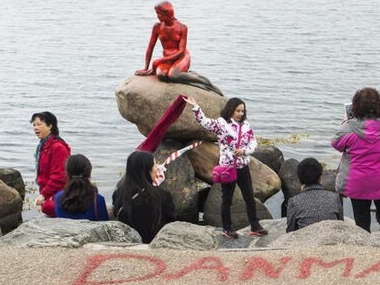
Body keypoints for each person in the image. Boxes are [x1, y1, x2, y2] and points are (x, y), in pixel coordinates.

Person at [185, 95, 268, 238]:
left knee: (249, 197)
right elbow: (204, 122)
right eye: (238, 111)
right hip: (227, 168)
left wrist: (245, 151)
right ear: (230, 110)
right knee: (227, 199)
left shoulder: (246, 125)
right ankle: (227, 228)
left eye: (243, 111)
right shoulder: (221, 124)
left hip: (243, 166)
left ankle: (255, 225)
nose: (241, 114)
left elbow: (253, 142)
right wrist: (195, 107)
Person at [331, 87, 380, 250]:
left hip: (357, 183)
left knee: (361, 218)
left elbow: (336, 144)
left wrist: (345, 122)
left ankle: (365, 251)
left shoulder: (348, 128)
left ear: (355, 106)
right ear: (379, 106)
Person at [135, 1, 222, 95]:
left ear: (166, 14)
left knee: (173, 76)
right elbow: (150, 47)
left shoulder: (182, 27)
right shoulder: (157, 27)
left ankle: (204, 82)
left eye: (159, 14)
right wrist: (146, 68)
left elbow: (181, 51)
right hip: (168, 60)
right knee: (162, 76)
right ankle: (185, 76)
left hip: (181, 57)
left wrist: (159, 60)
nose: (157, 16)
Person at [112, 151, 175, 244]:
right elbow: (171, 225)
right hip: (156, 245)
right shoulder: (163, 196)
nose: (157, 168)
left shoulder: (118, 194)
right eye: (154, 165)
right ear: (147, 170)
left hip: (127, 244)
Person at [285, 158, 343, 232]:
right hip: (332, 238)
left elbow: (290, 231)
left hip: (306, 241)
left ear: (300, 179)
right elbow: (341, 225)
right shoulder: (335, 198)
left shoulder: (294, 201)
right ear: (320, 178)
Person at [31, 111, 71, 218]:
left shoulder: (58, 147)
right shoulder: (42, 145)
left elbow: (59, 177)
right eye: (34, 125)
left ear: (50, 126)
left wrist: (44, 195)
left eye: (39, 124)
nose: (35, 128)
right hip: (48, 192)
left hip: (58, 194)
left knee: (48, 208)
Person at [53, 155, 109, 221]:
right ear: (89, 173)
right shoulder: (98, 200)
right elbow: (105, 224)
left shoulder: (58, 197)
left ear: (67, 173)